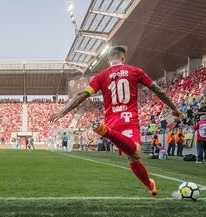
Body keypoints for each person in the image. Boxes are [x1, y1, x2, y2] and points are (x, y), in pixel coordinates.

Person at [49, 45, 182, 196]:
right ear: (123, 57)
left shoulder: (101, 76)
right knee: (136, 153)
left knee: (132, 159)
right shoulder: (135, 71)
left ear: (108, 60)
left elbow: (81, 95)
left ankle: (150, 185)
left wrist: (63, 111)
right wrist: (174, 108)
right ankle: (106, 132)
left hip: (112, 121)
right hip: (128, 119)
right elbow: (158, 90)